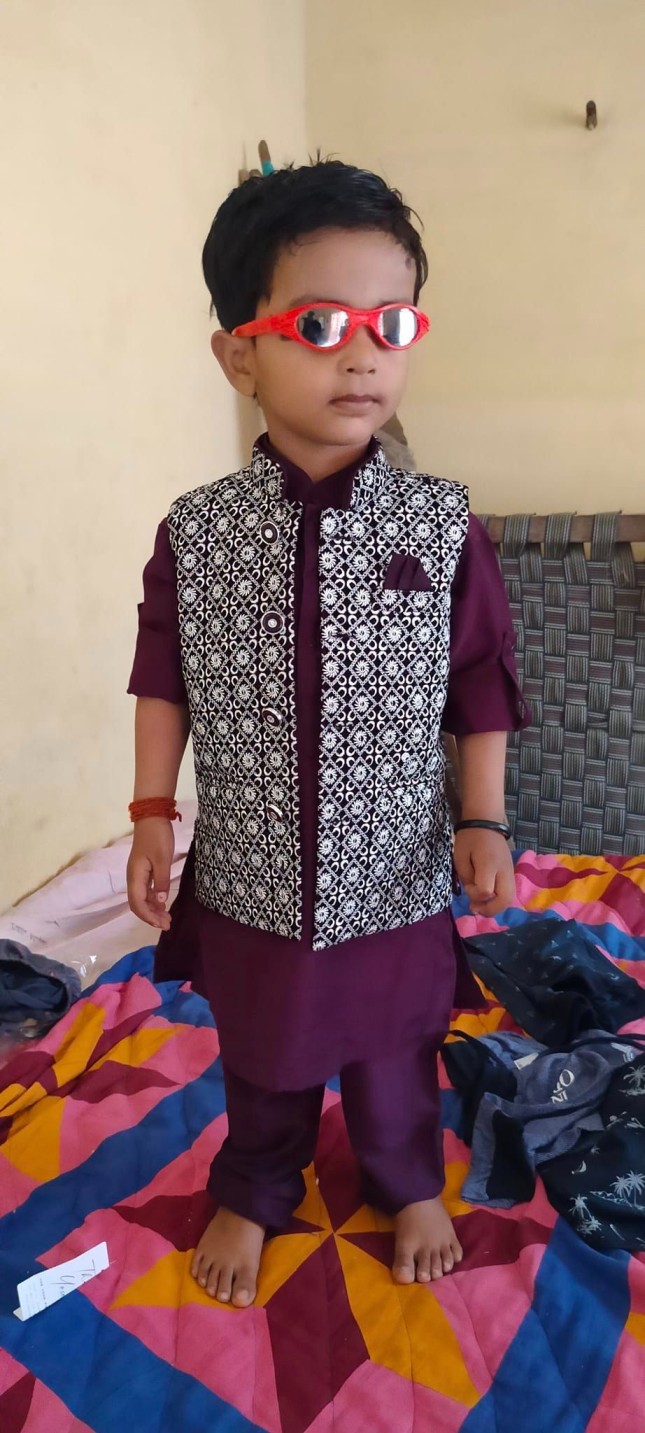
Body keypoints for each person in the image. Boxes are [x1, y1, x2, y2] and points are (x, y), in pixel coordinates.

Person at [126, 159, 528, 1310]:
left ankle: (405, 1177)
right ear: (239, 355)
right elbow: (162, 677)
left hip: (392, 858)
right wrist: (150, 813)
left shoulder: (440, 521)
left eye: (390, 324)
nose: (362, 356)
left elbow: (480, 680)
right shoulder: (197, 532)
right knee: (264, 1042)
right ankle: (259, 1181)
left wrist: (484, 816)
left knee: (396, 1040)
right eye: (319, 324)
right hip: (253, 864)